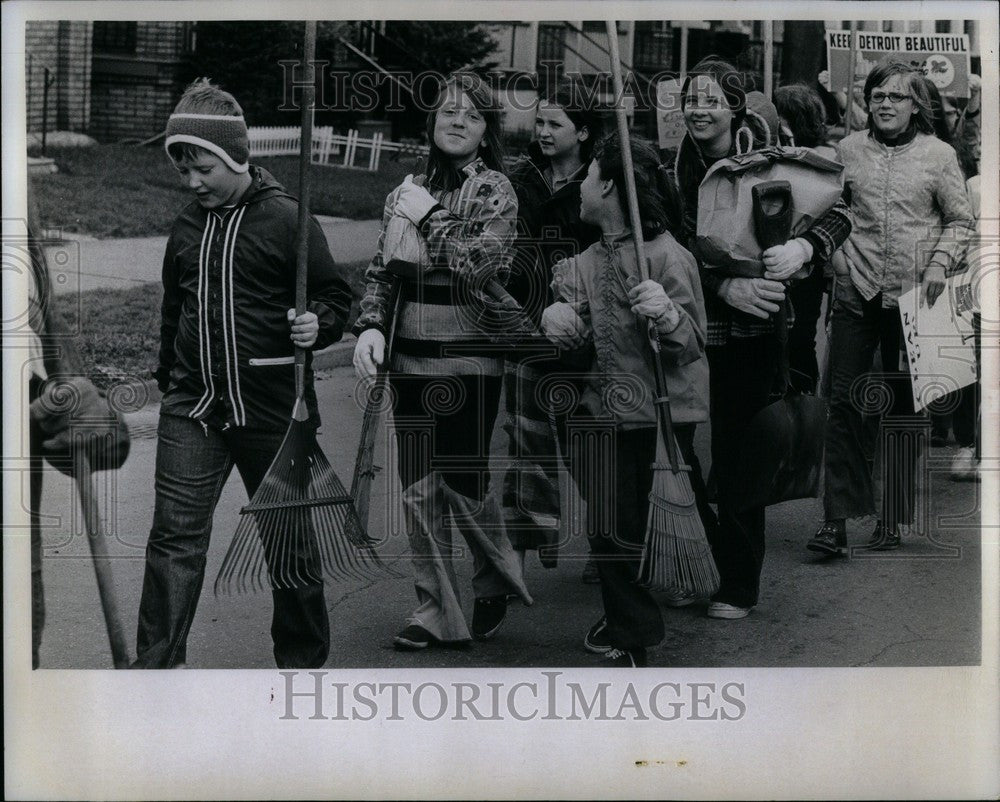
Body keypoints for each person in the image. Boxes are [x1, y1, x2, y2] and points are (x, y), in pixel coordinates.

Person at [133, 78, 354, 668]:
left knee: (289, 544)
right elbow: (172, 313)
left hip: (274, 412)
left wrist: (320, 324)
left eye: (202, 166)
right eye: (184, 170)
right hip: (194, 410)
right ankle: (156, 670)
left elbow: (335, 297)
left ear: (234, 155)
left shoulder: (287, 220)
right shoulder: (186, 228)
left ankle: (302, 671)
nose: (193, 181)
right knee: (173, 543)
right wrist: (169, 381)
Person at [352, 72, 532, 650]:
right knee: (419, 487)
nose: (458, 121)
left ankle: (492, 579)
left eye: (473, 115)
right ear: (431, 122)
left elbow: (483, 266)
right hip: (409, 360)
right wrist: (372, 326)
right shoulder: (404, 189)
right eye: (448, 111)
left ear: (485, 132)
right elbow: (383, 269)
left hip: (471, 362)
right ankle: (434, 609)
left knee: (464, 482)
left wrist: (431, 217)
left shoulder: (496, 191)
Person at [672, 58, 852, 615]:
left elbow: (840, 211)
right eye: (691, 99)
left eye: (711, 99)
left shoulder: (772, 158)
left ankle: (738, 582)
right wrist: (721, 285)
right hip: (680, 327)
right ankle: (696, 560)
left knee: (737, 454)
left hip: (752, 334)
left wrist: (805, 247)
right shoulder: (666, 170)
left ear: (735, 106)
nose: (699, 109)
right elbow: (662, 246)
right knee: (675, 454)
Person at [541, 133, 710, 667]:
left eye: (587, 176)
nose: (580, 186)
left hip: (662, 416)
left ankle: (642, 607)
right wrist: (558, 318)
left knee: (645, 520)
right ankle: (632, 630)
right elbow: (575, 327)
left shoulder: (667, 256)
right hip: (604, 415)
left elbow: (692, 344)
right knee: (611, 524)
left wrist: (667, 314)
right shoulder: (584, 262)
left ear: (610, 185)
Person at [808, 61, 974, 555]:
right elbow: (830, 210)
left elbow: (960, 220)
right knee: (844, 404)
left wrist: (940, 264)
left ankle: (893, 518)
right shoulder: (848, 150)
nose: (884, 104)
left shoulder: (938, 156)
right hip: (855, 291)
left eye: (896, 97)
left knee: (902, 410)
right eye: (876, 95)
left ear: (916, 105)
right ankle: (835, 521)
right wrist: (836, 257)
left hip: (914, 298)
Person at [504, 80, 603, 583]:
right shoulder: (521, 180)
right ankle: (522, 552)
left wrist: (585, 316)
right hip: (528, 325)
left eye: (554, 124)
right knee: (528, 446)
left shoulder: (602, 182)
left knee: (586, 443)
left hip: (586, 335)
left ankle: (607, 543)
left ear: (583, 132)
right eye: (539, 122)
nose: (542, 131)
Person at [774, 83, 839, 395]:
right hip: (775, 259)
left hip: (807, 263)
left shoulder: (823, 159)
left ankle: (803, 401)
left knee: (800, 337)